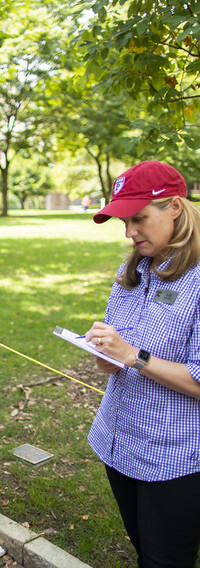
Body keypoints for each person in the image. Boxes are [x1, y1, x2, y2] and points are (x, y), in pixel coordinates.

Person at [85, 160, 200, 568]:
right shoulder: (133, 269)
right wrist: (105, 353)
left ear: (175, 208)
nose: (130, 232)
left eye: (138, 219)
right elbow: (114, 357)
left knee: (166, 559)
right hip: (120, 443)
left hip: (175, 455)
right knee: (143, 549)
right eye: (124, 222)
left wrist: (133, 356)